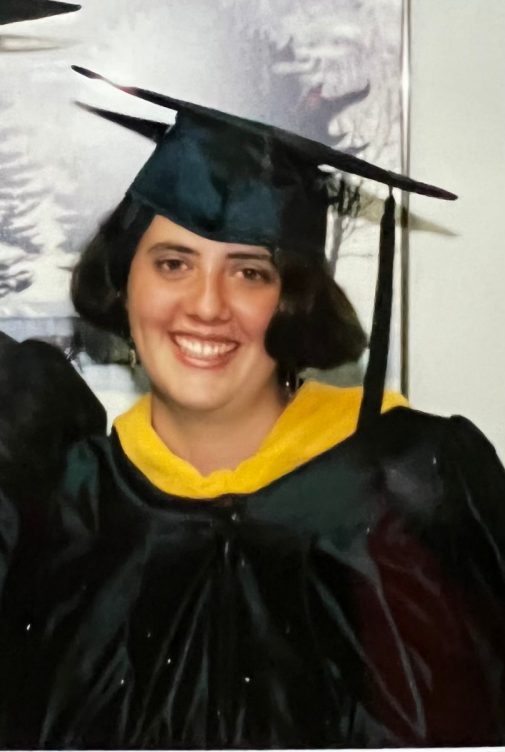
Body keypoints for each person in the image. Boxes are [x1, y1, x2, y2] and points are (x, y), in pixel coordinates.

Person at [0, 65, 504, 750]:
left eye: (249, 272)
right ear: (124, 284)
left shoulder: (407, 490)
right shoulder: (66, 510)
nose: (206, 305)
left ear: (293, 301)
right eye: (173, 264)